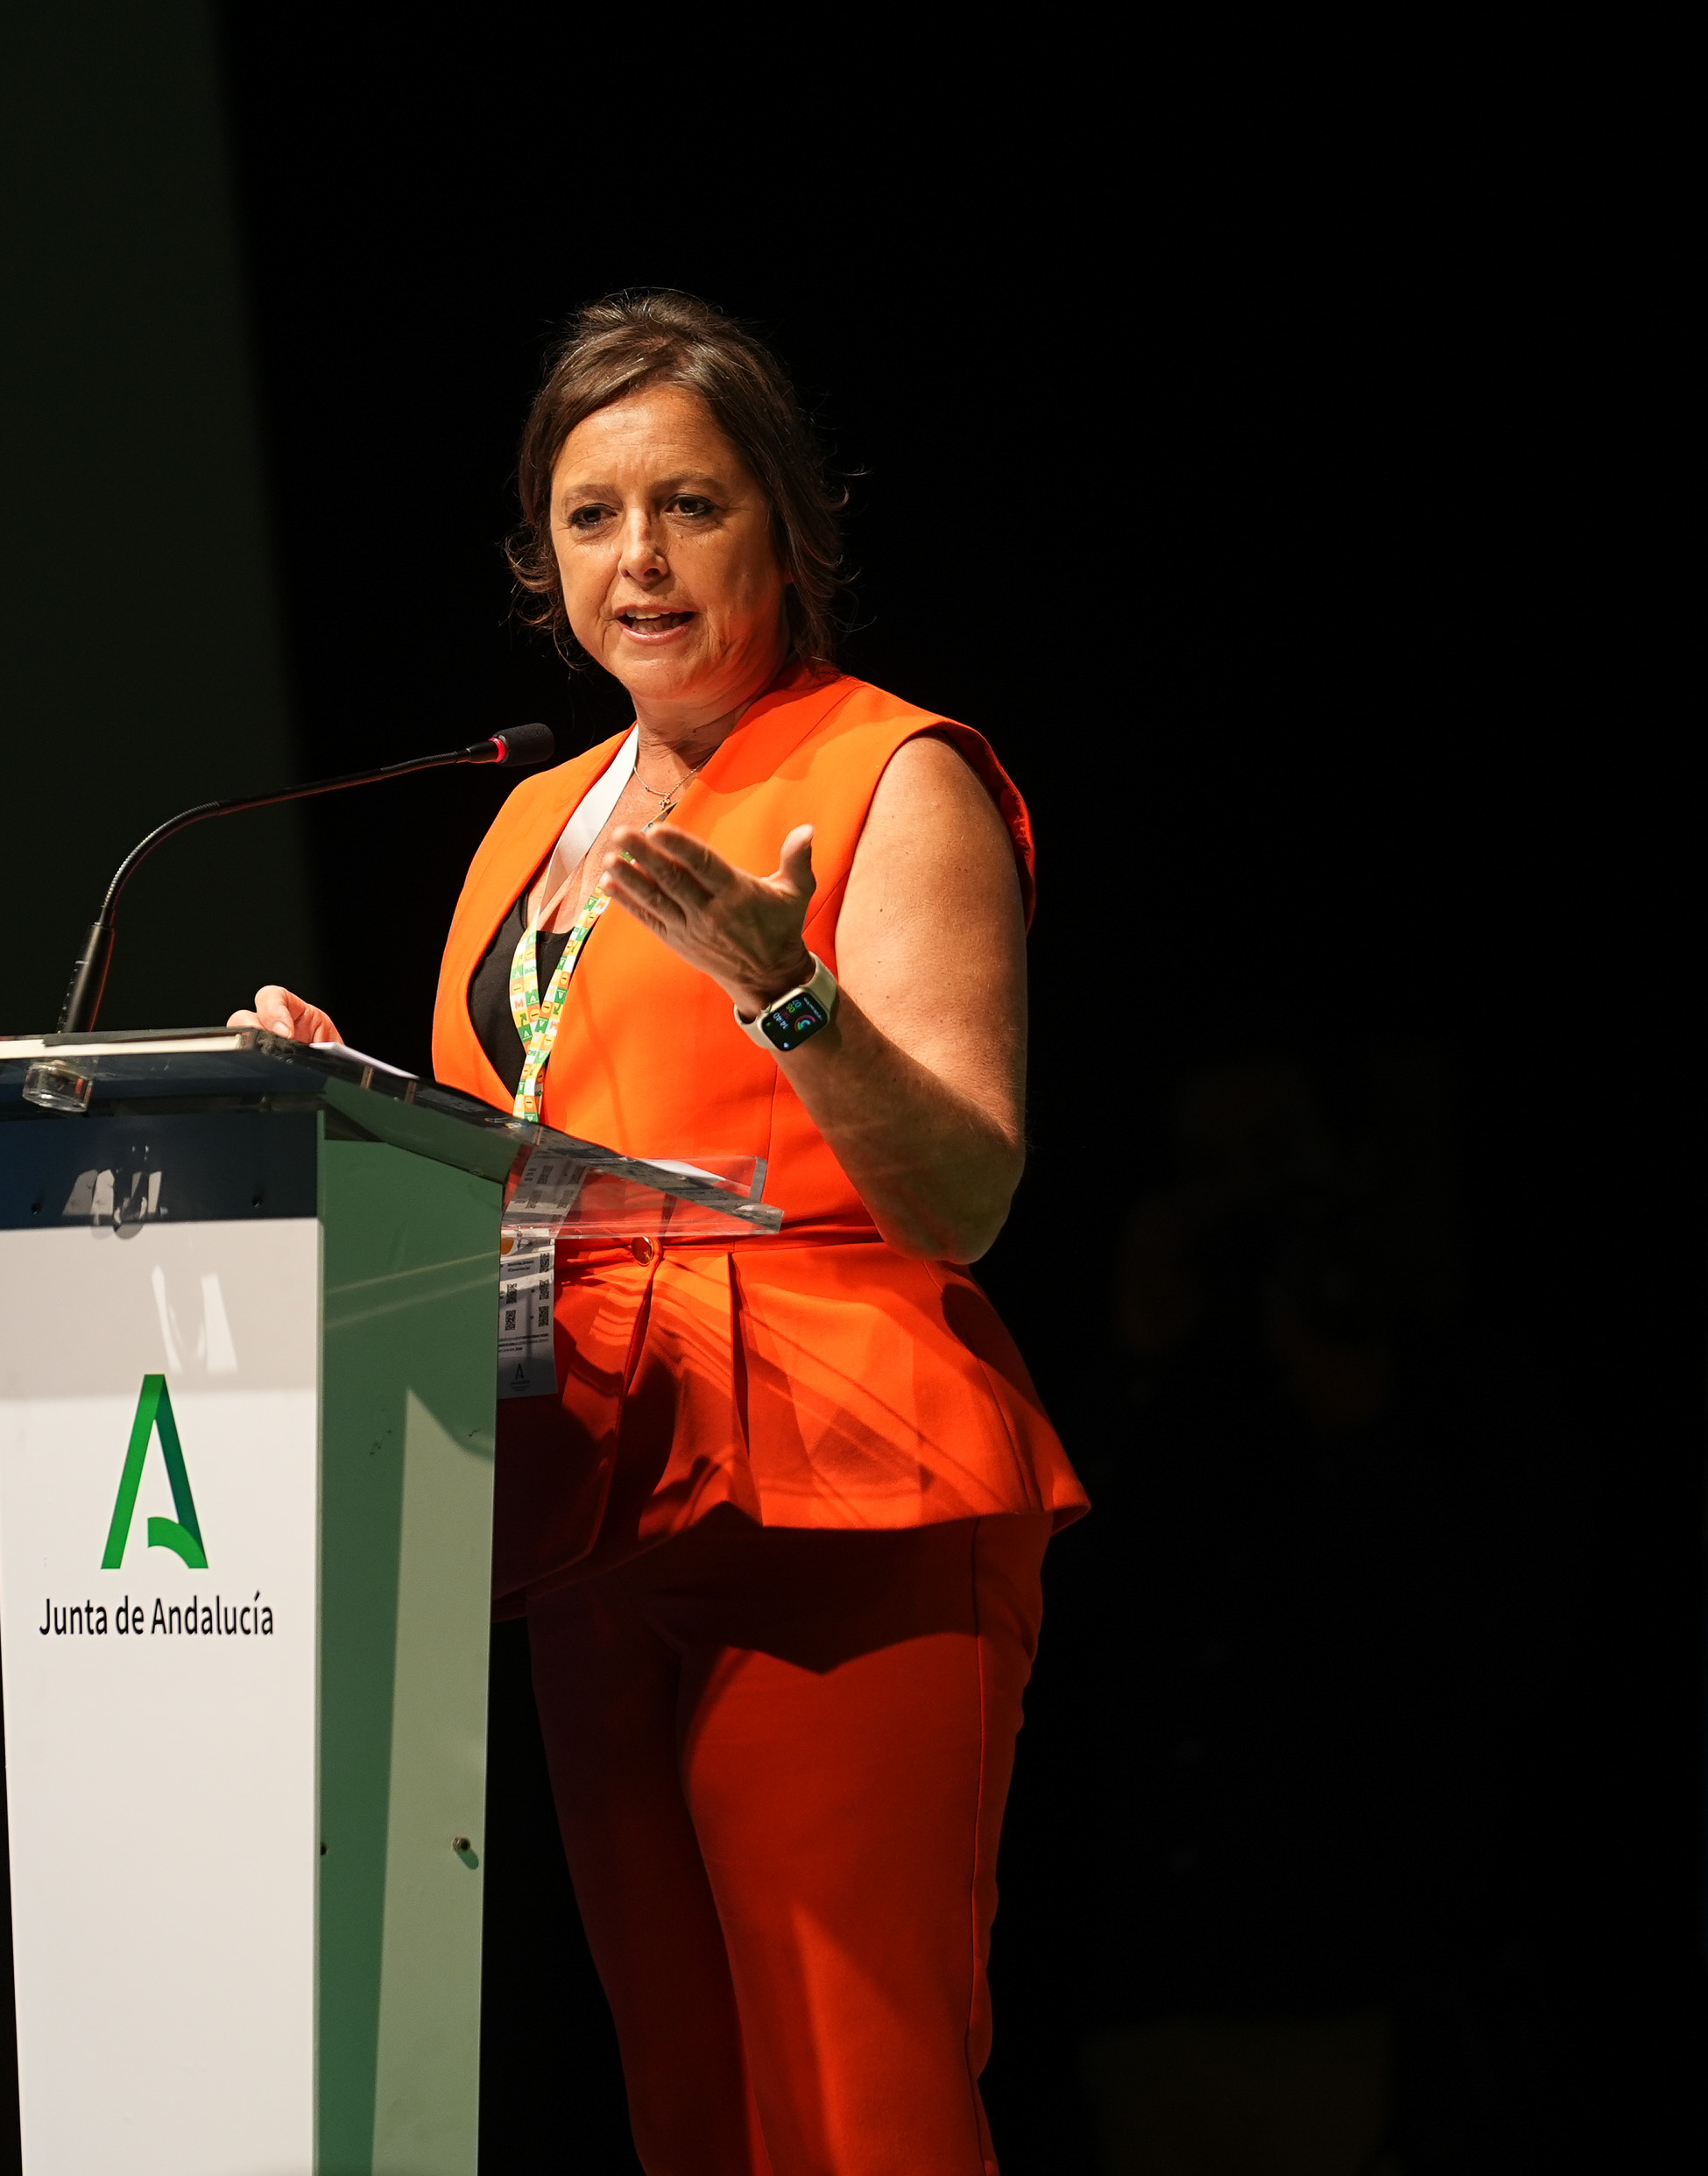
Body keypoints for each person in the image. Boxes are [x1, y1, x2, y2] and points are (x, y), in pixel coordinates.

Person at [238, 291, 1088, 2175]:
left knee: (855, 2109)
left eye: (693, 505)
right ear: (542, 560)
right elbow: (531, 1143)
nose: (643, 557)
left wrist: (795, 1003)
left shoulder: (891, 771)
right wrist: (332, 1097)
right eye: (593, 513)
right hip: (589, 1479)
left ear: (785, 527)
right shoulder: (531, 814)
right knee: (690, 2118)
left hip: (834, 1491)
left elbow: (967, 1201)